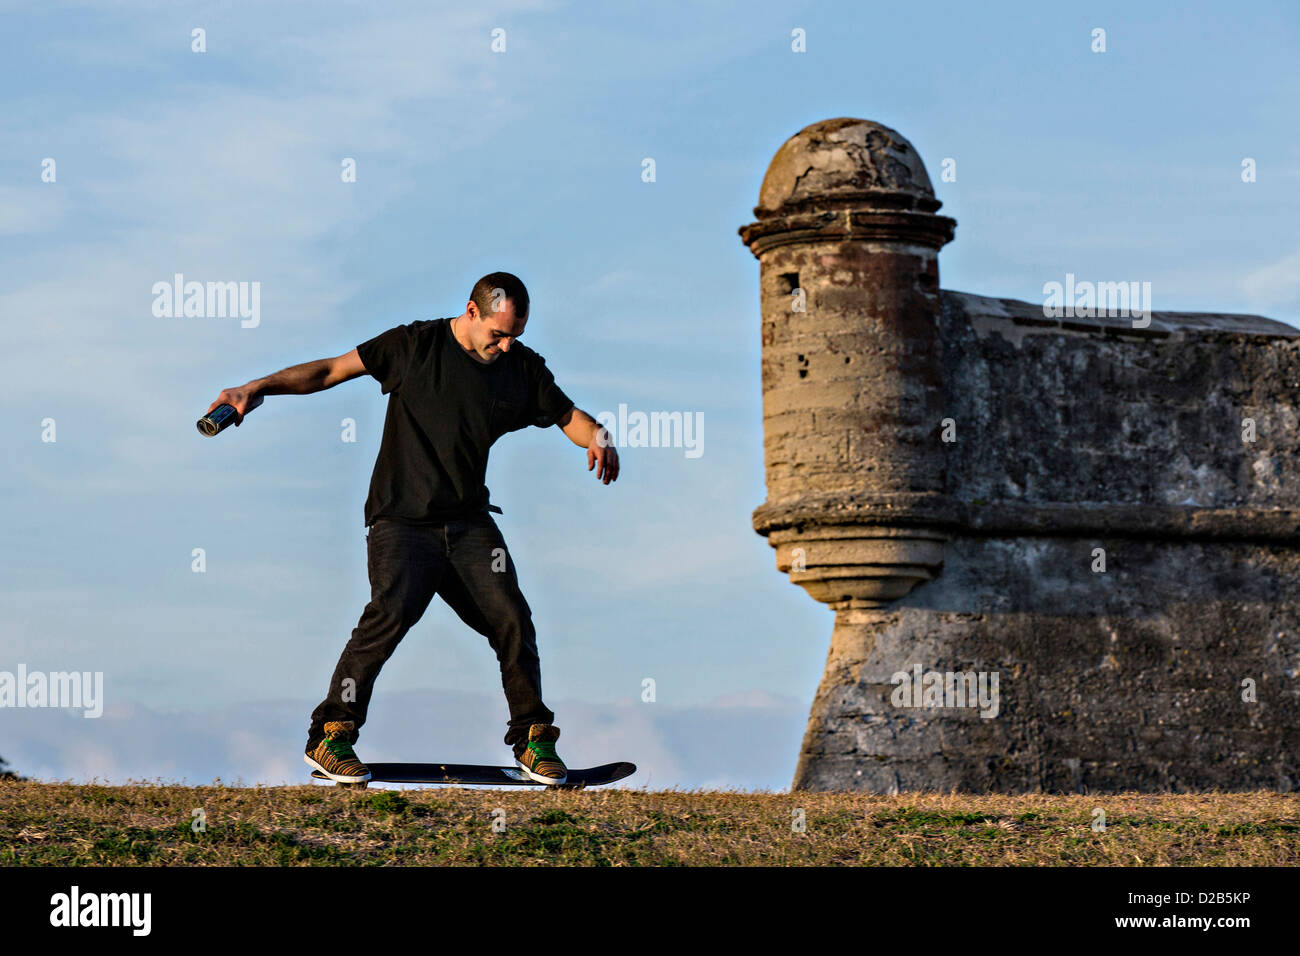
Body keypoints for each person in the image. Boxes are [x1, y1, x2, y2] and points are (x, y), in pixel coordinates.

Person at [204, 272, 619, 784]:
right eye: (498, 333)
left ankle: (534, 740)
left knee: (512, 618)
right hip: (402, 522)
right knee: (389, 616)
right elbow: (330, 370)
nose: (506, 345)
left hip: (469, 526)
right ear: (471, 312)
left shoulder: (520, 368)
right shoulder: (414, 346)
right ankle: (331, 735)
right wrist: (255, 388)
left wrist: (597, 434)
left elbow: (566, 415)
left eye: (516, 335)